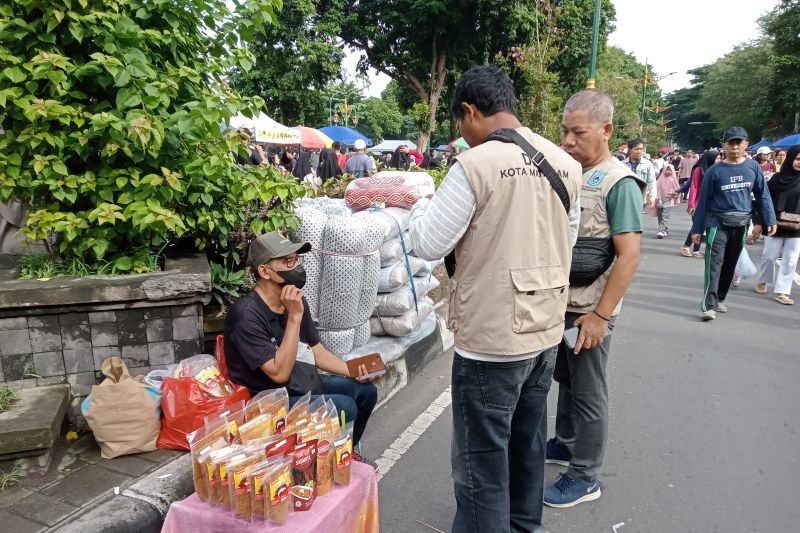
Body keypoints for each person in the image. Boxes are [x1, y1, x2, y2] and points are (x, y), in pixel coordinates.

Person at [409, 64, 581, 533]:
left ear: (469, 111)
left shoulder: (474, 165)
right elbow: (569, 237)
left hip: (491, 340)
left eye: (459, 124)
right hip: (545, 331)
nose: (461, 134)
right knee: (526, 446)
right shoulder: (565, 163)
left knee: (481, 462)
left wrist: (421, 204)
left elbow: (427, 244)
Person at [545, 90, 644, 508]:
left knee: (588, 391)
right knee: (567, 380)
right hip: (565, 304)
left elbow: (629, 254)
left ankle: (585, 475)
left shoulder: (619, 184)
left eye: (578, 132)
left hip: (591, 309)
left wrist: (601, 316)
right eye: (565, 131)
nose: (567, 140)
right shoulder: (571, 172)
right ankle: (566, 443)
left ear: (605, 131)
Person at [224, 232, 380, 450]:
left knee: (366, 393)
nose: (296, 267)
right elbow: (279, 374)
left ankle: (344, 455)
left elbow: (317, 351)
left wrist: (354, 370)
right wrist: (294, 318)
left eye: (296, 259)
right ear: (264, 271)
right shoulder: (246, 315)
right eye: (287, 261)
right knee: (344, 407)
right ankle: (327, 462)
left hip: (299, 383)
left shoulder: (296, 300)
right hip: (267, 401)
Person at [690, 127, 777, 320]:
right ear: (724, 145)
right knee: (714, 264)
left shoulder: (753, 168)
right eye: (731, 143)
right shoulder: (715, 171)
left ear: (746, 144)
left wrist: (769, 219)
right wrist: (697, 229)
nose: (735, 147)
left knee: (730, 264)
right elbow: (703, 201)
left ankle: (720, 298)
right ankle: (709, 305)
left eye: (739, 142)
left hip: (741, 224)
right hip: (717, 224)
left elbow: (763, 195)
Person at [755, 145, 800, 305]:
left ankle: (782, 291)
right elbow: (765, 202)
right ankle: (763, 280)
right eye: (797, 158)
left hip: (797, 226)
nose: (799, 162)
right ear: (791, 159)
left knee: (791, 259)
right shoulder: (777, 179)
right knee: (769, 256)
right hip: (774, 223)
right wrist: (760, 222)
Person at [682, 150, 721, 257]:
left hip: (710, 203)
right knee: (697, 225)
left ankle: (695, 250)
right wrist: (691, 205)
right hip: (698, 202)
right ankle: (686, 246)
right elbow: (693, 187)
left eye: (719, 158)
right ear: (710, 158)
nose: (718, 160)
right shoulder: (699, 170)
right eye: (716, 158)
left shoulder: (715, 169)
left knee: (703, 226)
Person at [623, 139, 656, 208]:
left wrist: (652, 197)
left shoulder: (648, 164)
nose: (639, 151)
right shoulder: (622, 165)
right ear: (629, 150)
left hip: (640, 199)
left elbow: (652, 181)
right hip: (625, 199)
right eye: (636, 149)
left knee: (637, 218)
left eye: (641, 149)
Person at [655, 163, 681, 238]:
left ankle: (661, 231)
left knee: (665, 216)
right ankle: (665, 230)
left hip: (669, 200)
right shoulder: (660, 179)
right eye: (667, 170)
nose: (668, 172)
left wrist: (674, 195)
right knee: (660, 216)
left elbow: (677, 190)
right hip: (660, 200)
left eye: (670, 170)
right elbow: (657, 189)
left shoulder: (674, 180)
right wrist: (658, 198)